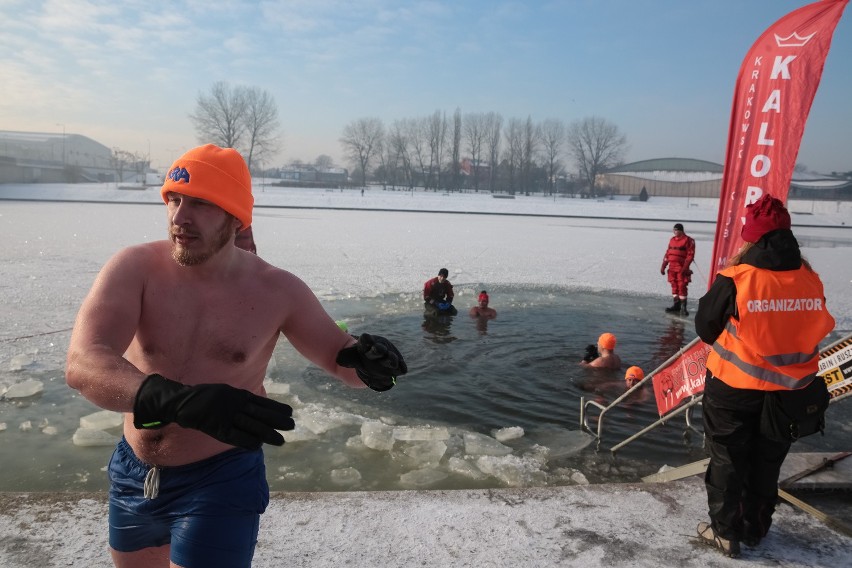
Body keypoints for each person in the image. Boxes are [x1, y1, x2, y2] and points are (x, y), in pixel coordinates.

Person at [65, 144, 408, 568]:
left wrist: (377, 369)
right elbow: (83, 363)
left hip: (220, 477)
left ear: (235, 217)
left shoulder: (279, 291)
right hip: (134, 472)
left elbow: (343, 361)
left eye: (202, 204)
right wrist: (176, 401)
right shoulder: (134, 268)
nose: (179, 218)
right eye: (174, 199)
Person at [694, 194, 834, 558]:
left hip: (734, 389)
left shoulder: (736, 279)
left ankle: (725, 533)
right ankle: (755, 529)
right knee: (766, 462)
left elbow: (706, 328)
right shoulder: (809, 279)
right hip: (791, 395)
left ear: (751, 238)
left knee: (728, 458)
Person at [661, 222, 696, 316]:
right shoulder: (672, 240)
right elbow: (668, 253)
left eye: (677, 230)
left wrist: (685, 267)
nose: (675, 231)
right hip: (672, 268)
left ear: (681, 230)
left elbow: (690, 255)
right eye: (674, 230)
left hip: (681, 268)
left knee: (682, 286)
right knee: (674, 285)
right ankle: (676, 305)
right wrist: (663, 266)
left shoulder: (688, 240)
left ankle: (683, 308)